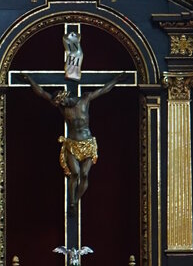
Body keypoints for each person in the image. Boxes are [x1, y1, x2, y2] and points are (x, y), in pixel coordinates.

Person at [25, 73, 122, 206]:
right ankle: (71, 199)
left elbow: (103, 90)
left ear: (66, 96)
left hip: (87, 143)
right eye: (60, 103)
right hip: (72, 143)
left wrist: (115, 80)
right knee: (75, 174)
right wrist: (30, 80)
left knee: (85, 174)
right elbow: (42, 93)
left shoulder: (85, 100)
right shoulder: (62, 108)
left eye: (62, 101)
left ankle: (76, 200)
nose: (62, 104)